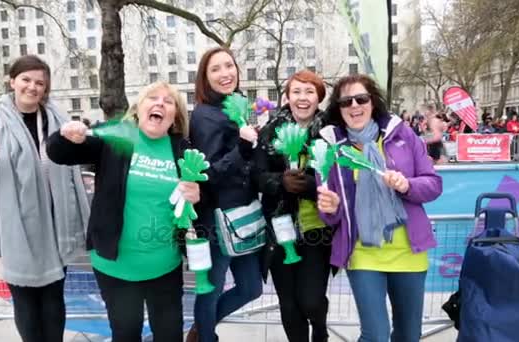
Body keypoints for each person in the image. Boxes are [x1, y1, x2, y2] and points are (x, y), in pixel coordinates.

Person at [47, 81, 199, 342]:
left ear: (175, 116)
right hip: (116, 266)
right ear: (139, 108)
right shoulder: (117, 136)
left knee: (170, 335)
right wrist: (66, 136)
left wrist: (198, 196)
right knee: (126, 333)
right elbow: (60, 153)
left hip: (165, 267)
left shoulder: (181, 149)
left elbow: (199, 193)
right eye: (153, 97)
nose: (160, 103)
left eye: (169, 101)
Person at [0, 55, 90, 342]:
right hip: (10, 235)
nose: (32, 87)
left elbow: (77, 161)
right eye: (26, 79)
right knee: (25, 303)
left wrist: (81, 142)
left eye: (40, 82)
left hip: (56, 230)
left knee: (54, 299)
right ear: (12, 81)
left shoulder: (59, 120)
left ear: (46, 88)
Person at [317, 74, 443, 342]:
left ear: (372, 102)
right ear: (338, 110)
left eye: (361, 98)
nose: (354, 106)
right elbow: (330, 216)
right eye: (345, 101)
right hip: (363, 253)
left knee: (409, 335)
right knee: (375, 335)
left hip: (409, 252)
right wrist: (332, 207)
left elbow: (433, 184)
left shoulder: (402, 135)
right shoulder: (330, 149)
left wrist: (407, 185)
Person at [187, 47, 263, 342]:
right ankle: (206, 336)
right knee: (211, 288)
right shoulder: (205, 116)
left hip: (244, 215)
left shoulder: (236, 108)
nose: (225, 73)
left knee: (251, 288)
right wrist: (242, 147)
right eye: (215, 69)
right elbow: (209, 172)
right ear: (205, 78)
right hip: (218, 219)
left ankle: (202, 328)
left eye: (229, 66)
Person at [253, 70, 333, 342]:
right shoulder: (270, 129)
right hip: (279, 228)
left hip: (316, 230)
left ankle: (320, 331)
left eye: (309, 92)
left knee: (310, 301)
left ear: (318, 97)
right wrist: (279, 181)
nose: (302, 98)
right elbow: (257, 175)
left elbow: (341, 178)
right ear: (287, 96)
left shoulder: (330, 131)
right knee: (289, 305)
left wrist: (310, 186)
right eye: (296, 91)